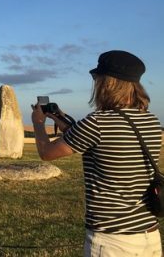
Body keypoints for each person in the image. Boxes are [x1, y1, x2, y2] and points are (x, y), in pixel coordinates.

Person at [31, 50, 162, 257]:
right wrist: (60, 118)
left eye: (96, 78)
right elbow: (101, 140)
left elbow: (46, 153)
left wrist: (38, 123)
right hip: (149, 234)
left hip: (112, 240)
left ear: (108, 83)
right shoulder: (151, 121)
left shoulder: (96, 123)